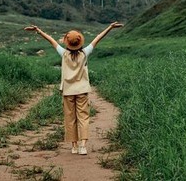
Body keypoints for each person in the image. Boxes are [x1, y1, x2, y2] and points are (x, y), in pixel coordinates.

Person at [24, 22, 123, 155]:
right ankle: (83, 146)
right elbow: (98, 38)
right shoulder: (85, 53)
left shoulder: (63, 54)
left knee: (70, 118)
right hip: (82, 90)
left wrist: (38, 30)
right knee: (83, 117)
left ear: (67, 42)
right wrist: (110, 28)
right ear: (80, 42)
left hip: (68, 91)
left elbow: (51, 40)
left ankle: (74, 146)